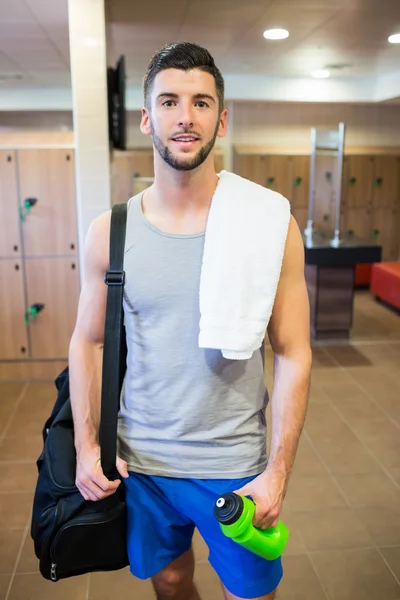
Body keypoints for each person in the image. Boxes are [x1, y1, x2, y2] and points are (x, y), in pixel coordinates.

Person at [68, 41, 312, 600]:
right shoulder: (114, 231)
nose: (185, 117)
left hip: (234, 465)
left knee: (249, 594)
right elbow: (86, 341)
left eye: (201, 102)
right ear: (147, 117)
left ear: (221, 119)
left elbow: (293, 351)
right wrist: (87, 445)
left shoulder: (270, 226)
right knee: (172, 581)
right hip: (142, 464)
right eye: (170, 101)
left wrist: (278, 472)